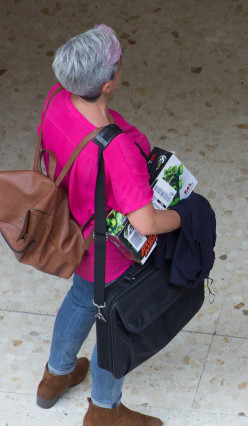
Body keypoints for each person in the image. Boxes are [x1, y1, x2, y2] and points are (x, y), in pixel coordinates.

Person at [35, 24, 180, 425]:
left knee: (81, 298)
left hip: (72, 233)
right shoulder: (115, 148)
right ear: (108, 84)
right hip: (109, 256)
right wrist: (186, 214)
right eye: (117, 65)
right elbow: (146, 221)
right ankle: (104, 410)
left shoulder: (55, 99)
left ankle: (54, 377)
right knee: (112, 326)